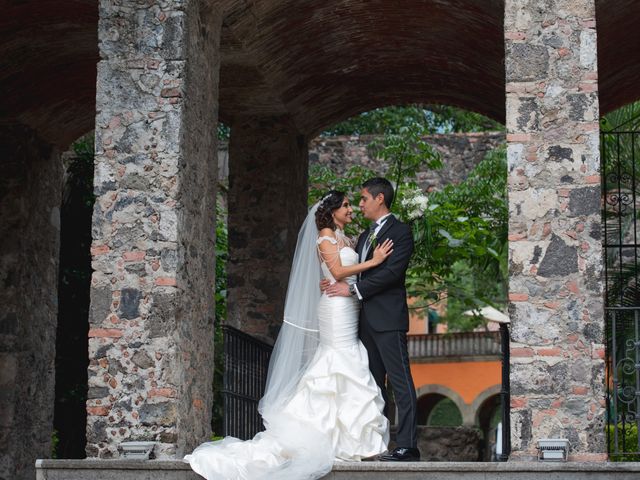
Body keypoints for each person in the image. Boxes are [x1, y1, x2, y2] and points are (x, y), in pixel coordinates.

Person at [185, 190, 393, 480]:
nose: (352, 209)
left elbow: (339, 271)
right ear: (331, 211)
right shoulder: (324, 235)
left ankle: (349, 439)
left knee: (349, 358)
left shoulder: (346, 238)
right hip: (335, 307)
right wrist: (375, 261)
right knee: (338, 360)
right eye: (346, 206)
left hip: (348, 305)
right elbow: (337, 270)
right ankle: (331, 437)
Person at [325, 177, 420, 462]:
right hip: (364, 321)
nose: (360, 204)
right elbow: (354, 269)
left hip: (389, 319)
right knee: (373, 387)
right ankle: (376, 443)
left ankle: (407, 446)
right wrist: (332, 280)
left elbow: (392, 274)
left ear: (380, 199)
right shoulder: (366, 236)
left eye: (364, 198)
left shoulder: (401, 231)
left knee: (400, 383)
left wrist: (353, 289)